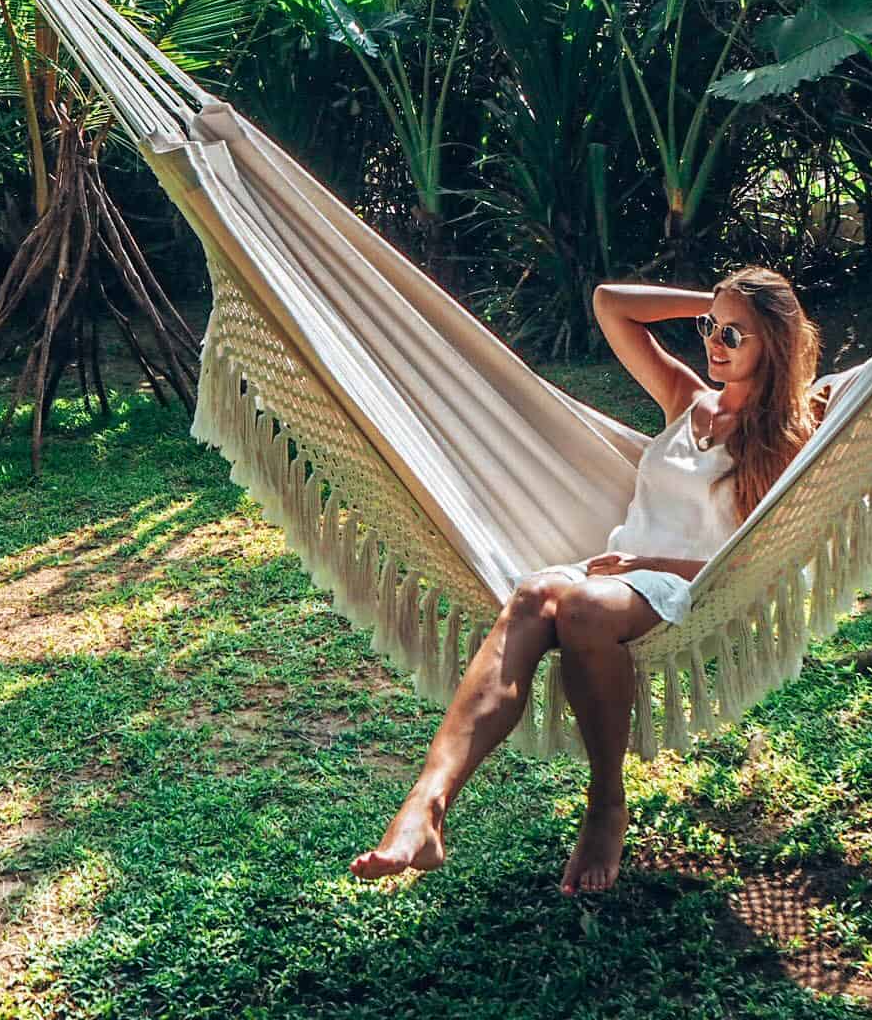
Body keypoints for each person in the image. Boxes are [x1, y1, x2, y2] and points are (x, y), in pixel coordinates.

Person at [350, 266, 825, 895]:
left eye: (735, 336)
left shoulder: (780, 438)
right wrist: (709, 302)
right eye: (713, 328)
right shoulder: (688, 401)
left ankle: (606, 805)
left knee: (580, 609)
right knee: (532, 595)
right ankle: (426, 807)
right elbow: (609, 303)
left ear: (774, 342)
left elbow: (758, 561)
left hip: (685, 585)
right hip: (611, 572)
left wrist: (645, 567)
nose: (715, 343)